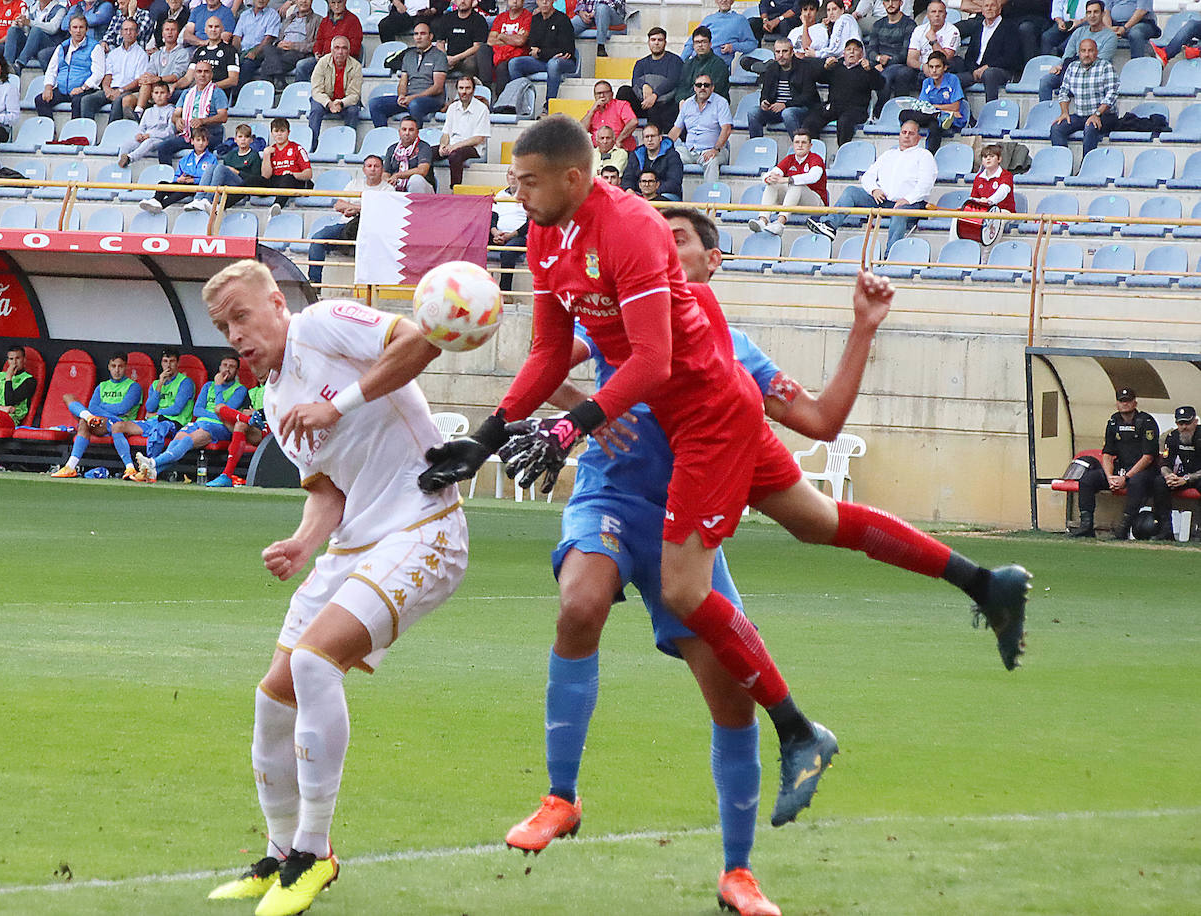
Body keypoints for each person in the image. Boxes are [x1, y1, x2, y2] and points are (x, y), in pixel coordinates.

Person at [420, 117, 1029, 830]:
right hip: (687, 430)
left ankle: (798, 728)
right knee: (816, 521)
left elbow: (658, 364)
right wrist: (490, 436)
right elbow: (554, 358)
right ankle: (984, 582)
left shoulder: (637, 240)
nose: (515, 194)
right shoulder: (548, 236)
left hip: (709, 421)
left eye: (526, 181)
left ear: (573, 178)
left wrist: (571, 427)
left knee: (685, 591)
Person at [500, 213, 896, 916]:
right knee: (579, 605)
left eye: (678, 238)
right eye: (657, 236)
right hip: (612, 500)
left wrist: (863, 327)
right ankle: (560, 795)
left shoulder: (737, 352)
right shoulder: (614, 320)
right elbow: (547, 366)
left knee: (731, 699)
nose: (662, 244)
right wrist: (586, 412)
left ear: (713, 261)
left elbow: (820, 422)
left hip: (691, 537)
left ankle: (737, 873)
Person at [199, 259, 468, 916]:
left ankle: (314, 855)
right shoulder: (272, 397)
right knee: (274, 696)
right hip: (354, 545)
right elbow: (329, 492)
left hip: (423, 522)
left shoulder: (324, 324)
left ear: (276, 303)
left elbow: (418, 343)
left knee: (317, 664)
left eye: (241, 315)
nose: (234, 334)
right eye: (222, 325)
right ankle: (278, 852)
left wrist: (337, 403)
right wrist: (302, 542)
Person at [807, 119, 935, 255]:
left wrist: (908, 199)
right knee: (851, 192)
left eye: (911, 133)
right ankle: (830, 225)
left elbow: (926, 184)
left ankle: (890, 255)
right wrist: (874, 189)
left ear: (919, 137)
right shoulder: (888, 155)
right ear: (899, 134)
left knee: (899, 212)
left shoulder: (924, 156)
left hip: (910, 204)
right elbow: (868, 176)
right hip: (882, 200)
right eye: (904, 132)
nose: (907, 136)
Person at [133, 356, 248, 482]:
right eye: (224, 365)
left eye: (231, 367)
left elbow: (224, 413)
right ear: (219, 367)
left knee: (187, 441)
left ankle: (153, 462)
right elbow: (197, 410)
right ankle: (154, 472)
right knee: (177, 440)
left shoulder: (240, 389)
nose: (227, 369)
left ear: (237, 371)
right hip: (199, 422)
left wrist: (219, 387)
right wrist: (211, 410)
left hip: (219, 426)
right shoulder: (208, 386)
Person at [1070, 386, 1160, 538]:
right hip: (1120, 470)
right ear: (1117, 403)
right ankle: (1086, 526)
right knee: (1087, 480)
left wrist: (1126, 478)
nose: (1125, 404)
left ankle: (1123, 528)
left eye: (1128, 401)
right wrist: (1110, 476)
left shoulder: (1146, 422)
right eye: (1121, 401)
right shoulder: (1113, 421)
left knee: (1136, 482)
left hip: (1142, 472)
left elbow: (1148, 457)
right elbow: (1107, 453)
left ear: (1135, 403)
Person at [51, 351, 144, 477]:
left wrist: (101, 407)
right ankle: (70, 467)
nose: (117, 370)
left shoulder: (134, 387)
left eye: (120, 366)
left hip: (120, 424)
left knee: (86, 420)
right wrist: (96, 412)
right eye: (113, 366)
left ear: (125, 367)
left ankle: (130, 468)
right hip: (100, 423)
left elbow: (122, 408)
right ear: (109, 367)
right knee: (69, 398)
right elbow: (92, 407)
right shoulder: (102, 386)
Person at [306, 153, 392, 286]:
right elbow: (338, 205)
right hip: (345, 226)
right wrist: (358, 208)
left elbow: (384, 212)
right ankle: (314, 283)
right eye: (369, 166)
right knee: (318, 238)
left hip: (370, 230)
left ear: (382, 169)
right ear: (364, 169)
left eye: (376, 166)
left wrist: (357, 210)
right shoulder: (354, 183)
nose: (373, 169)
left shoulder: (388, 189)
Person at [108, 346, 195, 474]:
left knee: (159, 428)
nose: (168, 365)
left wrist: (157, 413)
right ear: (161, 363)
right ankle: (130, 468)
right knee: (118, 427)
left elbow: (176, 409)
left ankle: (149, 467)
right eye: (165, 361)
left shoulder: (185, 382)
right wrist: (160, 383)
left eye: (172, 361)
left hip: (174, 423)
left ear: (177, 363)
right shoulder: (156, 384)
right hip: (154, 421)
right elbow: (149, 407)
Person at [368, 21, 447, 128]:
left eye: (422, 34)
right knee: (375, 104)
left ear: (430, 36)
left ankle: (414, 141)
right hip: (410, 98)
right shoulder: (408, 55)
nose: (418, 37)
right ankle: (384, 137)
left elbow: (438, 88)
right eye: (416, 34)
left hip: (432, 100)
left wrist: (413, 97)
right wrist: (401, 95)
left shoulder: (439, 56)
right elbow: (403, 82)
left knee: (415, 105)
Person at [807, 38, 881, 146]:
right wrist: (825, 68)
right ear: (843, 53)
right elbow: (818, 78)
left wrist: (871, 71)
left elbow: (880, 85)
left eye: (855, 50)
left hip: (856, 110)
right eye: (848, 49)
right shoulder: (836, 66)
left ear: (861, 54)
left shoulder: (867, 69)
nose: (851, 52)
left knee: (844, 122)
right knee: (810, 121)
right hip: (834, 107)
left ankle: (842, 153)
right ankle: (815, 152)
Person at [750, 128, 825, 235]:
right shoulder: (789, 159)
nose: (800, 145)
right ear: (793, 145)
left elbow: (814, 176)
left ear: (810, 146)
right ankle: (763, 220)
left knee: (796, 184)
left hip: (816, 202)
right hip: (794, 201)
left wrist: (788, 179)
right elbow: (772, 173)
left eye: (804, 142)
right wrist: (769, 178)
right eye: (797, 142)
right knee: (772, 184)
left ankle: (780, 223)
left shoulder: (816, 159)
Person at [1049, 37, 1117, 154]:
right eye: (1083, 51)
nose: (1086, 54)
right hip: (1080, 115)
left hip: (1104, 116)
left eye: (1090, 51)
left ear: (1096, 52)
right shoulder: (1072, 67)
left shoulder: (1105, 66)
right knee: (1057, 128)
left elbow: (1112, 94)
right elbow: (1064, 92)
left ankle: (1086, 167)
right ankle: (1062, 165)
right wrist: (1064, 112)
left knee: (1091, 126)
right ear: (1078, 53)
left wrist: (1097, 114)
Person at [1039, 0, 1116, 102]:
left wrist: (1072, 65)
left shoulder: (1110, 36)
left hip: (1094, 75)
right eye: (1089, 12)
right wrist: (1059, 65)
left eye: (1096, 12)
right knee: (1045, 81)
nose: (1092, 16)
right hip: (1072, 72)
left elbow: (1100, 61)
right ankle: (1046, 114)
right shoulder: (1079, 32)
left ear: (1103, 14)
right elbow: (1068, 54)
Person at [157, 60, 228, 164]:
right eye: (199, 71)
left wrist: (203, 121)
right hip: (189, 134)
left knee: (200, 145)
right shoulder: (187, 93)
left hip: (210, 134)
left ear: (211, 74)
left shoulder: (217, 92)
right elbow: (176, 114)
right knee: (164, 147)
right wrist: (177, 120)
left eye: (206, 71)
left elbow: (223, 116)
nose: (202, 75)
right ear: (194, 74)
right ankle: (167, 178)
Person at [34, 14, 106, 118]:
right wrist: (48, 87)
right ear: (70, 30)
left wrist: (82, 88)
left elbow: (98, 73)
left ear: (86, 29)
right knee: (41, 100)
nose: (78, 31)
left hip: (84, 89)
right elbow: (51, 69)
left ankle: (74, 132)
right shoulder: (63, 46)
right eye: (75, 27)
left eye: (81, 27)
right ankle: (50, 131)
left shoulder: (95, 47)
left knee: (78, 102)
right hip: (63, 89)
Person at [668, 69, 731, 186]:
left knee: (711, 161)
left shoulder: (721, 103)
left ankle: (710, 199)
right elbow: (676, 129)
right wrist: (663, 148)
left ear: (712, 88)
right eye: (699, 85)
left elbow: (726, 129)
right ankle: (671, 193)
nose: (702, 87)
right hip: (689, 151)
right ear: (694, 88)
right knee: (670, 157)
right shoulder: (687, 104)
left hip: (713, 150)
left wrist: (715, 149)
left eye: (706, 85)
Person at [746, 38, 818, 137]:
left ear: (792, 52)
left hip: (800, 109)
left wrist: (785, 105)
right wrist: (764, 102)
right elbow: (765, 92)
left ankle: (798, 146)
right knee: (753, 113)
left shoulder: (804, 68)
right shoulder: (771, 69)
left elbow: (809, 96)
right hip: (776, 109)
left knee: (787, 113)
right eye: (777, 52)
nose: (781, 55)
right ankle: (755, 144)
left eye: (784, 51)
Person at [507, 0, 577, 103]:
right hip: (543, 61)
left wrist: (540, 52)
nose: (544, 2)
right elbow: (532, 46)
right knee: (514, 63)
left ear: (553, 1)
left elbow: (566, 50)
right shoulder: (535, 19)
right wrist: (545, 53)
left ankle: (548, 105)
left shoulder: (563, 19)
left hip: (564, 62)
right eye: (541, 0)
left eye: (548, 0)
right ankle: (522, 103)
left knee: (553, 64)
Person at [186, 121, 262, 212]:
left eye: (246, 137)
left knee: (221, 168)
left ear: (251, 140)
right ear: (235, 139)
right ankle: (198, 199)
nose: (243, 140)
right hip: (228, 185)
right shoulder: (230, 155)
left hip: (243, 185)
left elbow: (256, 179)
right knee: (211, 167)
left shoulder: (254, 156)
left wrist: (237, 172)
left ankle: (209, 199)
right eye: (240, 137)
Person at [139, 124, 217, 212]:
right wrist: (179, 179)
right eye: (198, 140)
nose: (200, 143)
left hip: (198, 188)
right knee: (162, 184)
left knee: (186, 188)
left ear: (207, 143)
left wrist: (193, 180)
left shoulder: (212, 159)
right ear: (192, 141)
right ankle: (155, 200)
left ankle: (162, 205)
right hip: (183, 184)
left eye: (203, 140)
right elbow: (176, 176)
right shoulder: (185, 159)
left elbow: (211, 179)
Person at [900, 50, 965, 152]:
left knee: (934, 125)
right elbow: (923, 105)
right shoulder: (927, 82)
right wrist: (934, 110)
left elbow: (955, 107)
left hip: (949, 117)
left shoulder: (953, 79)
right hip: (930, 115)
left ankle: (930, 154)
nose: (934, 70)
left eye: (937, 67)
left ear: (945, 67)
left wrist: (934, 107)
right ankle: (937, 116)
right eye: (931, 67)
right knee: (903, 114)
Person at [1153, 405, 1201, 541]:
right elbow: (1164, 463)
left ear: (1195, 422)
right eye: (1181, 423)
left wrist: (1187, 478)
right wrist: (1169, 476)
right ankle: (1165, 530)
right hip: (1183, 476)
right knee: (1159, 483)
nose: (1184, 427)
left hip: (1197, 476)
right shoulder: (1172, 437)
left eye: (1187, 423)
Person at [205, 384, 267, 488]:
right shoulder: (251, 391)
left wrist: (259, 413)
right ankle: (251, 420)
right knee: (219, 408)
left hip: (270, 428)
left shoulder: (277, 387)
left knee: (240, 424)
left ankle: (226, 475)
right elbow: (245, 411)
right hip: (253, 425)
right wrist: (250, 417)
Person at [959, 0, 1022, 102]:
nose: (989, 8)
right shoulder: (978, 27)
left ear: (999, 9)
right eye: (986, 6)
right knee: (955, 80)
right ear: (982, 11)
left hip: (1000, 70)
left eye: (992, 6)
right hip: (977, 70)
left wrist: (987, 67)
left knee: (989, 74)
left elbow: (1010, 57)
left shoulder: (1009, 27)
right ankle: (966, 114)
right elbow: (969, 56)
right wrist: (974, 70)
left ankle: (990, 111)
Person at [306, 35, 361, 148]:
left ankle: (347, 145)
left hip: (344, 102)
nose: (340, 51)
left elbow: (354, 94)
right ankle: (312, 145)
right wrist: (329, 103)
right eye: (337, 48)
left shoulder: (356, 66)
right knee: (315, 109)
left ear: (349, 51)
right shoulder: (322, 63)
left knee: (353, 111)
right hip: (325, 100)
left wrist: (341, 103)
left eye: (344, 48)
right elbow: (316, 90)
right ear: (331, 50)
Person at [91, 15, 149, 120]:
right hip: (111, 89)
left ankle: (112, 132)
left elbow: (138, 81)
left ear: (137, 33)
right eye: (125, 30)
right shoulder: (114, 53)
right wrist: (107, 89)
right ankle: (85, 132)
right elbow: (108, 75)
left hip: (128, 90)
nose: (128, 32)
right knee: (87, 100)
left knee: (119, 101)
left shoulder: (142, 55)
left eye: (131, 30)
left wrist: (121, 90)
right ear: (121, 32)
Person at [438, 73, 490, 188]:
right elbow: (446, 133)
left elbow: (479, 138)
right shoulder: (452, 108)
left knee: (455, 155)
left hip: (473, 149)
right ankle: (430, 187)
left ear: (473, 90)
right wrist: (443, 145)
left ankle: (455, 189)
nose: (464, 92)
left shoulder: (482, 109)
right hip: (453, 146)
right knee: (427, 152)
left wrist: (454, 146)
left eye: (468, 88)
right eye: (461, 88)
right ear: (457, 89)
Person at [867, 0, 917, 111]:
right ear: (883, 4)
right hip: (880, 64)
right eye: (887, 1)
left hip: (901, 65)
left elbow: (905, 54)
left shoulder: (909, 24)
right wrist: (879, 59)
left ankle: (883, 112)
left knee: (885, 77)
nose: (890, 3)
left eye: (894, 0)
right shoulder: (878, 24)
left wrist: (885, 64)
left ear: (901, 2)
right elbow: (870, 50)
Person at [133, 19, 190, 116]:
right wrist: (147, 78)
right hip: (153, 87)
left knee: (147, 84)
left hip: (170, 88)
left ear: (178, 33)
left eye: (173, 30)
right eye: (167, 29)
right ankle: (134, 118)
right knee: (126, 100)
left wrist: (158, 79)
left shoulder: (183, 53)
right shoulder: (157, 54)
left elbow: (175, 76)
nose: (170, 32)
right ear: (162, 33)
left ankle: (138, 113)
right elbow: (150, 72)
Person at [258, 0, 318, 89]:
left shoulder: (318, 20)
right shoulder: (290, 18)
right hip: (281, 50)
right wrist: (279, 44)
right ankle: (279, 78)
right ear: (296, 2)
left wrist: (293, 46)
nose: (304, 1)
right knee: (267, 47)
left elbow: (316, 44)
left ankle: (266, 90)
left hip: (298, 52)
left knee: (265, 64)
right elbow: (278, 38)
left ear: (312, 2)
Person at [904, 0, 961, 94]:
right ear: (927, 15)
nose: (937, 15)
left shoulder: (952, 31)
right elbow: (910, 60)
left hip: (942, 70)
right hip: (923, 69)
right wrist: (923, 67)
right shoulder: (919, 30)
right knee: (903, 74)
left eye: (940, 12)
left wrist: (934, 41)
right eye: (933, 12)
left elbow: (946, 58)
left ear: (945, 15)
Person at [298, 0, 360, 84]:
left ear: (345, 2)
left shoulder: (353, 20)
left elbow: (355, 46)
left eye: (339, 2)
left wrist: (337, 56)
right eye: (333, 3)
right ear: (329, 4)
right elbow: (319, 40)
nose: (336, 6)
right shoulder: (325, 21)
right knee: (302, 65)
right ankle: (307, 93)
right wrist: (317, 53)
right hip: (324, 59)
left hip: (343, 60)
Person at [118, 78, 176, 165]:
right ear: (152, 95)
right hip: (145, 138)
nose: (159, 96)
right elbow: (141, 127)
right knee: (126, 145)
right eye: (156, 93)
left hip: (159, 139)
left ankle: (130, 159)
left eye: (162, 93)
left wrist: (150, 135)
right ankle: (120, 164)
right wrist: (139, 134)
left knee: (149, 142)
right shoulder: (148, 111)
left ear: (168, 95)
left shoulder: (171, 110)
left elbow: (170, 133)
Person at [479, 0, 530, 94]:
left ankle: (500, 99)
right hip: (498, 53)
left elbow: (520, 41)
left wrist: (502, 36)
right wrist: (512, 39)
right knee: (483, 49)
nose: (514, 1)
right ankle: (486, 88)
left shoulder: (528, 17)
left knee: (502, 67)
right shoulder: (501, 17)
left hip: (516, 55)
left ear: (523, 2)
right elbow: (490, 41)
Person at [687, 0, 757, 69]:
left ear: (732, 1)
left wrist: (733, 47)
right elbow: (690, 43)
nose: (724, 1)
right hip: (697, 62)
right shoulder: (708, 19)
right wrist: (681, 61)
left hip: (718, 66)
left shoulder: (740, 20)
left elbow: (752, 44)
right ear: (716, 1)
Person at [621, 121, 682, 199]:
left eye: (653, 136)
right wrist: (629, 189)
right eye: (647, 137)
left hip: (664, 194)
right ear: (643, 139)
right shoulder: (635, 155)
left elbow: (674, 183)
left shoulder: (672, 155)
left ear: (660, 138)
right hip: (641, 194)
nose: (650, 140)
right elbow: (628, 178)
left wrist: (650, 192)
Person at [491, 165, 527, 290]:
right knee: (475, 241)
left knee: (508, 252)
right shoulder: (500, 195)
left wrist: (510, 236)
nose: (513, 177)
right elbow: (492, 218)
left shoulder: (529, 195)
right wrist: (495, 233)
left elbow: (530, 223)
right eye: (511, 173)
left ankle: (504, 293)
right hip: (499, 234)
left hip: (519, 236)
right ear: (507, 176)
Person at [260, 115, 314, 201]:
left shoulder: (297, 148)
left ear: (288, 132)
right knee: (253, 180)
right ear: (272, 133)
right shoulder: (270, 150)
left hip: (293, 182)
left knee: (287, 177)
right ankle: (230, 201)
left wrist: (293, 174)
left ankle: (276, 206)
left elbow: (308, 174)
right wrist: (266, 155)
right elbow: (265, 176)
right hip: (276, 181)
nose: (279, 134)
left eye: (282, 131)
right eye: (276, 131)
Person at [675, 26, 731, 105]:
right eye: (697, 42)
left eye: (704, 42)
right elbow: (682, 87)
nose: (700, 45)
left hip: (713, 105)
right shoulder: (688, 64)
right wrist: (681, 100)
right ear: (693, 45)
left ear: (710, 44)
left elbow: (714, 91)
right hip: (689, 105)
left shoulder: (719, 65)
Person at [184, 17, 239, 94]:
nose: (213, 29)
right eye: (210, 27)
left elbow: (233, 80)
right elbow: (187, 79)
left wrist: (209, 87)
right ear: (205, 30)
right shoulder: (199, 51)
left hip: (217, 93)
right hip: (198, 92)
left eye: (216, 27)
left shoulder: (230, 50)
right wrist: (174, 85)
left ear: (222, 30)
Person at [7, 0, 66, 71]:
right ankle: (7, 65)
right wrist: (20, 23)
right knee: (12, 30)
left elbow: (52, 28)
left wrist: (30, 22)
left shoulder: (60, 9)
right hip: (31, 44)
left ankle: (20, 64)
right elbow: (26, 28)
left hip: (50, 44)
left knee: (36, 30)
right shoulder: (32, 8)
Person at [434, 0, 486, 82]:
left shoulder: (479, 20)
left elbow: (477, 46)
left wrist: (456, 58)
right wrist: (445, 58)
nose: (462, 1)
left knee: (470, 64)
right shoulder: (447, 18)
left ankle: (467, 89)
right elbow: (440, 42)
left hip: (467, 57)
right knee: (434, 61)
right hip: (449, 56)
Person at [580, 78, 636, 152]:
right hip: (598, 153)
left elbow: (633, 122)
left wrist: (619, 139)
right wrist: (592, 111)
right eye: (599, 93)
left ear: (612, 94)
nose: (602, 96)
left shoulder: (621, 105)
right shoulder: (592, 112)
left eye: (605, 92)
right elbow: (580, 131)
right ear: (595, 96)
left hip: (620, 150)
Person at [382, 113, 434, 192]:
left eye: (411, 130)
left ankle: (416, 204)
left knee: (415, 180)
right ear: (399, 132)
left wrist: (398, 175)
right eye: (404, 129)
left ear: (417, 132)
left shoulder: (424, 147)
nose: (407, 133)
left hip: (424, 190)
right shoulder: (392, 149)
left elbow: (422, 170)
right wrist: (388, 180)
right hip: (397, 187)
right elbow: (386, 173)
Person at [232, 0, 277, 85]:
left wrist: (254, 52)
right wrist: (233, 54)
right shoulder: (244, 15)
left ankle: (236, 95)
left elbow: (268, 39)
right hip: (243, 51)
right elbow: (237, 37)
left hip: (259, 52)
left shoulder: (273, 15)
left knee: (247, 64)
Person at [967, 142, 1015, 214]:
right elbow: (974, 198)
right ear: (982, 161)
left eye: (992, 156)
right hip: (984, 211)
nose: (988, 159)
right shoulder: (978, 177)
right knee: (959, 217)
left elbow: (1002, 192)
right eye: (985, 157)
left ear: (999, 159)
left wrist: (989, 201)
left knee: (994, 218)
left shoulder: (1006, 175)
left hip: (1004, 212)